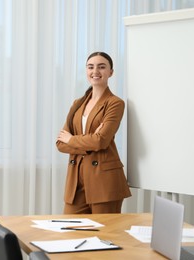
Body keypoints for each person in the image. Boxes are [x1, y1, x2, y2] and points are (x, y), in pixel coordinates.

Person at [56, 51, 131, 214]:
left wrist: (72, 139)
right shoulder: (77, 103)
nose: (95, 71)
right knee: (70, 232)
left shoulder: (115, 103)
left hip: (104, 181)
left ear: (111, 72)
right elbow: (61, 143)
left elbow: (101, 141)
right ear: (86, 70)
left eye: (101, 67)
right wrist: (89, 141)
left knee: (104, 235)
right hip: (76, 182)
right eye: (91, 67)